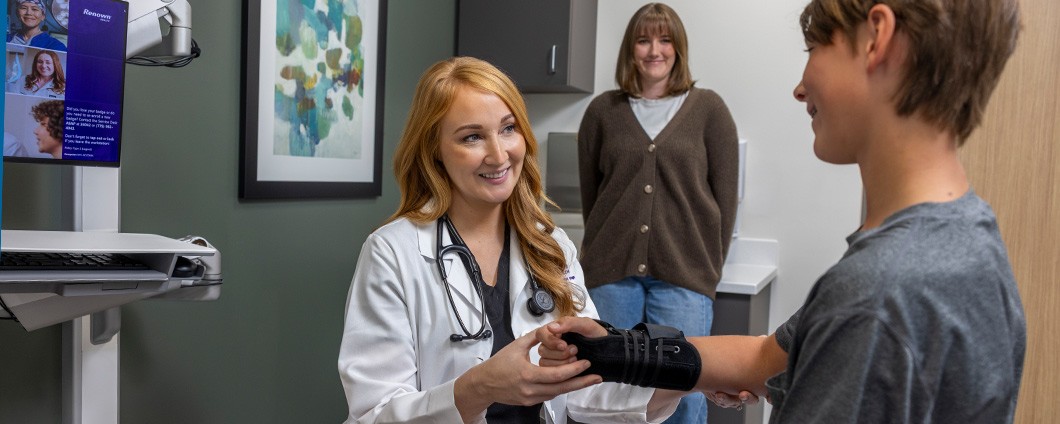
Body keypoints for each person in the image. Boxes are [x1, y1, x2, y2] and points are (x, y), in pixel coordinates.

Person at [541, 0, 1026, 422]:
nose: (799, 87)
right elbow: (760, 358)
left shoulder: (876, 297)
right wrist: (618, 349)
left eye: (813, 49)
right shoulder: (969, 239)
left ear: (878, 39)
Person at [337, 56, 685, 424]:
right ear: (433, 151)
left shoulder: (551, 246)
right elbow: (373, 414)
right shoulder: (392, 253)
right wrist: (477, 388)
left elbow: (586, 389)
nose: (499, 154)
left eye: (508, 128)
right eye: (472, 136)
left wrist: (684, 378)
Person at [576, 3, 739, 422]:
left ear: (678, 48)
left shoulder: (709, 110)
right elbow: (593, 197)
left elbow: (724, 200)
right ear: (630, 50)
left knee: (685, 389)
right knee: (608, 388)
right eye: (644, 40)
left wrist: (706, 269)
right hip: (611, 274)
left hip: (684, 276)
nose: (654, 50)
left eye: (664, 40)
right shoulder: (602, 112)